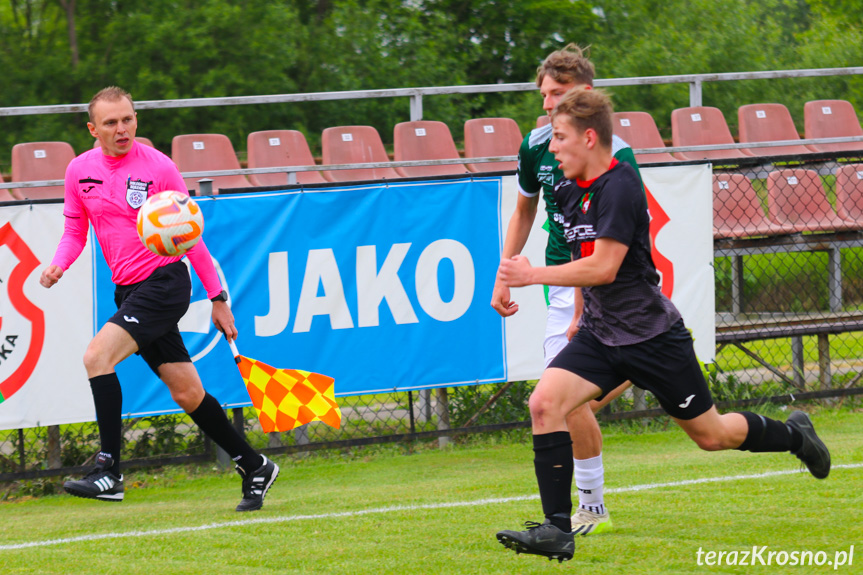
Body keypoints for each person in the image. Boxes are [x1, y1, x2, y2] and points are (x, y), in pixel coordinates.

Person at [494, 88, 831, 562]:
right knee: (545, 403)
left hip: (652, 338)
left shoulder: (622, 185)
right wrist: (575, 316)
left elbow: (604, 267)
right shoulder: (567, 188)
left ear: (589, 138)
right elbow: (578, 254)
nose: (552, 147)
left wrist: (531, 276)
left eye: (561, 137)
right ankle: (557, 529)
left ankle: (796, 435)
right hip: (599, 333)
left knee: (711, 436)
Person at [40, 86, 279, 512]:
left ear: (136, 120)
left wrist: (217, 298)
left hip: (165, 283)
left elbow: (191, 238)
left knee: (97, 357)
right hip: (129, 289)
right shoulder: (79, 171)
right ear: (93, 128)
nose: (121, 129)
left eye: (127, 119)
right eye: (110, 123)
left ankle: (109, 469)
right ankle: (254, 463)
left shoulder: (159, 167)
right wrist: (59, 264)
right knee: (187, 393)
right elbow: (75, 232)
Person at [491, 44, 640, 535]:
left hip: (603, 282)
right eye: (545, 95)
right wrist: (505, 271)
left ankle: (590, 508)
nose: (548, 104)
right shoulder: (536, 146)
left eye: (559, 94)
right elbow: (524, 210)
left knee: (560, 400)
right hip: (561, 281)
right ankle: (631, 369)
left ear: (587, 95)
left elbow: (607, 236)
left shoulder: (614, 154)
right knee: (562, 401)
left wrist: (582, 304)